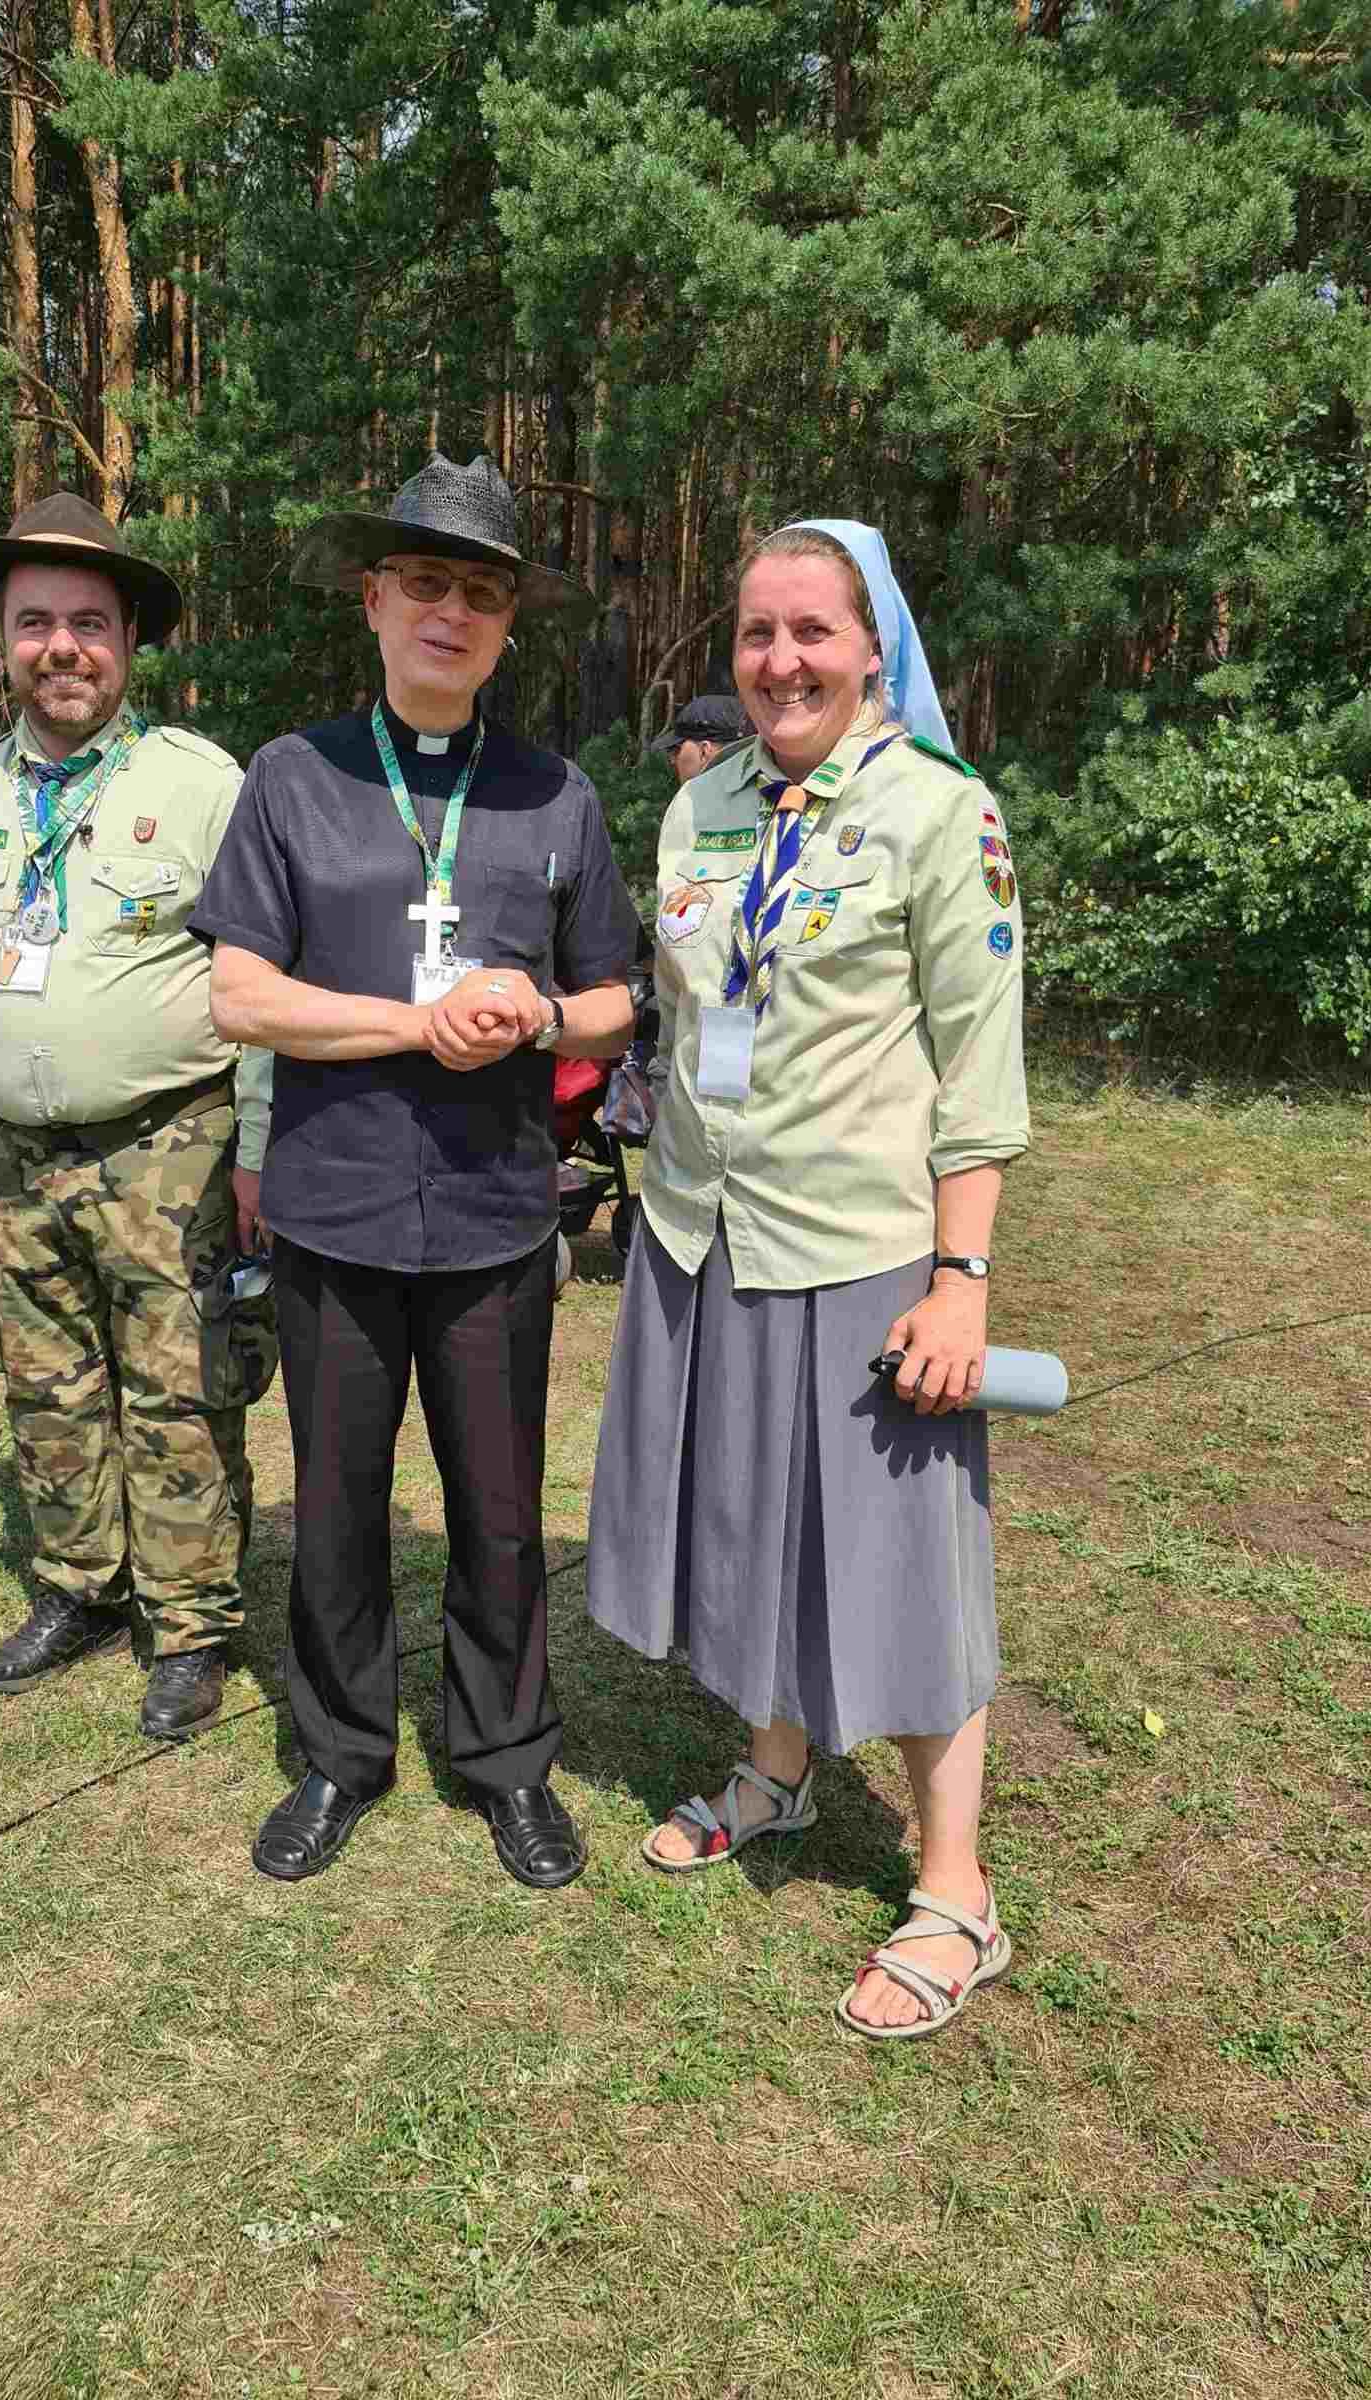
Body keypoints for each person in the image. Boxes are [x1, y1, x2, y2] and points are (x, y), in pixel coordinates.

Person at [586, 519, 1029, 2040]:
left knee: (902, 1563)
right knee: (751, 1528)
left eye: (812, 633)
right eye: (758, 634)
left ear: (869, 644)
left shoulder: (937, 816)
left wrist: (961, 1278)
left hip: (860, 1251)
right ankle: (777, 1772)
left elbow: (978, 1074)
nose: (781, 661)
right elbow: (683, 1012)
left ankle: (956, 1890)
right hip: (704, 1237)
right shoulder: (700, 806)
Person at [194, 453, 644, 1889]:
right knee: (336, 1507)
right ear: (374, 601)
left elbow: (619, 1000)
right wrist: (416, 1024)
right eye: (430, 584)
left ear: (510, 627)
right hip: (335, 1209)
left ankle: (507, 1761)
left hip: (502, 1215)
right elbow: (241, 996)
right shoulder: (292, 776)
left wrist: (542, 1015)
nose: (455, 611)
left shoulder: (556, 794)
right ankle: (339, 1755)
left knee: (501, 1511)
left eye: (486, 592)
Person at [0, 493, 275, 1742]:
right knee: (50, 1388)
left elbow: (260, 973)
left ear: (128, 643)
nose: (62, 648)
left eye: (89, 623)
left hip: (175, 1148)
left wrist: (263, 1143)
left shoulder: (202, 787)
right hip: (11, 1154)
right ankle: (81, 1587)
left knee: (182, 1394)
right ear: (1, 638)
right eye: (36, 623)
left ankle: (188, 1624)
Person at [650, 693, 751, 786]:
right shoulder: (761, 793)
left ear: (704, 751)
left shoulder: (690, 803)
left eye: (676, 749)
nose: (672, 760)